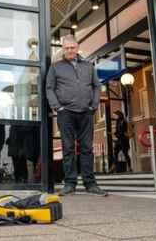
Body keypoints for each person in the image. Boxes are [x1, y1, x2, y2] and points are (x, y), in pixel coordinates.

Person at [46, 34, 106, 196]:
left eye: (72, 47)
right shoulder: (56, 67)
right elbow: (49, 88)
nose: (70, 50)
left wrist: (93, 105)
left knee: (87, 148)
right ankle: (70, 184)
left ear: (77, 48)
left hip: (86, 112)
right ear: (63, 50)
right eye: (66, 48)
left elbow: (96, 86)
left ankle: (90, 183)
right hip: (66, 113)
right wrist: (57, 107)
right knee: (68, 148)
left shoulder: (88, 66)